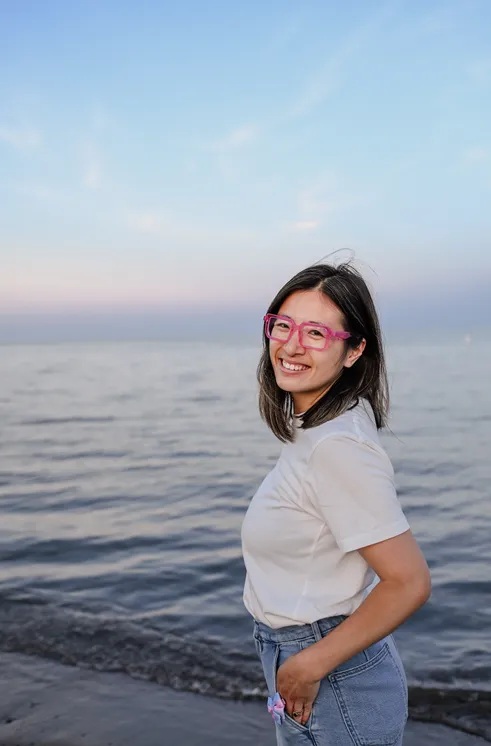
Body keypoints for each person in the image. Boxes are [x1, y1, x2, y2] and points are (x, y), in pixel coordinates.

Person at [241, 261, 431, 746]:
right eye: (283, 325)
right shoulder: (328, 421)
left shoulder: (337, 446)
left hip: (329, 674)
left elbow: (408, 582)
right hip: (322, 659)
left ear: (355, 350)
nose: (291, 345)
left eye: (316, 333)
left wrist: (308, 665)